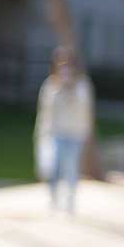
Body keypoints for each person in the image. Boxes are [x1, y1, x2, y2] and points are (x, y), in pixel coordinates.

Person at [34, 46, 94, 214]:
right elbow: (45, 110)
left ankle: (70, 200)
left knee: (71, 168)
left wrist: (71, 89)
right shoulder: (50, 85)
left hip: (75, 133)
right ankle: (53, 198)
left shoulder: (82, 85)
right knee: (53, 167)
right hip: (55, 132)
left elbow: (85, 109)